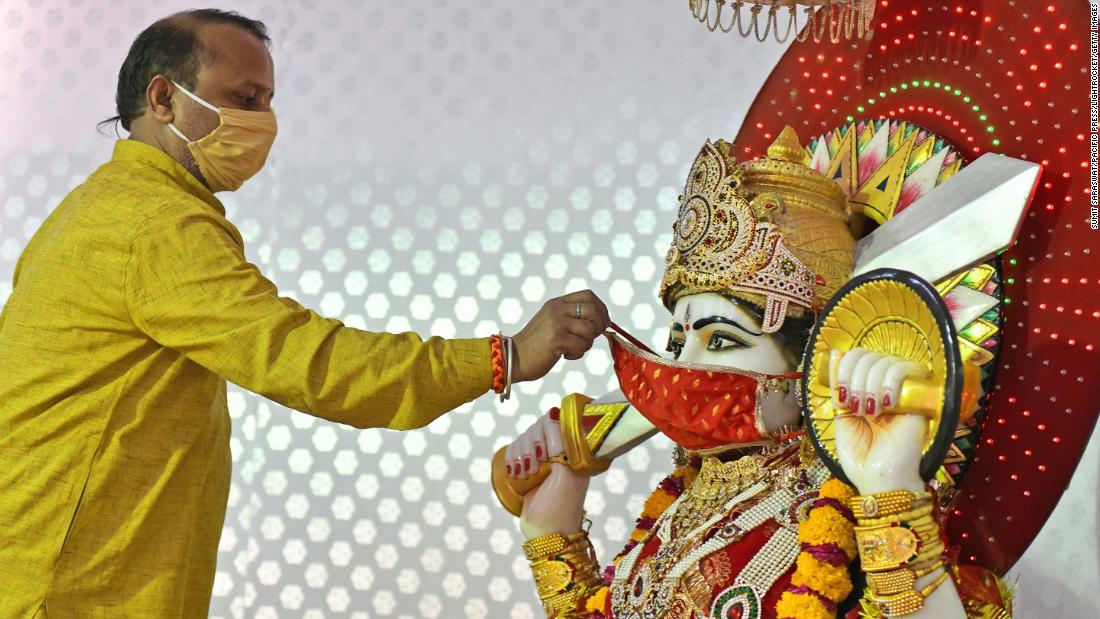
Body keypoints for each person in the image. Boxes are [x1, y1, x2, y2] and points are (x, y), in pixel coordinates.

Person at [0, 9, 609, 618]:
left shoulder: (92, 211)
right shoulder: (154, 224)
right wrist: (504, 356)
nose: (261, 123)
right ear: (163, 97)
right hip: (71, 589)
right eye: (242, 99)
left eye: (266, 103)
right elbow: (308, 362)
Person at [496, 129, 1015, 618]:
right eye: (677, 340)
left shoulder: (848, 507)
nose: (684, 366)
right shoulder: (684, 502)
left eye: (722, 340)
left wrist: (889, 481)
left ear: (814, 356)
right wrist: (550, 531)